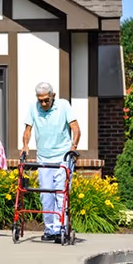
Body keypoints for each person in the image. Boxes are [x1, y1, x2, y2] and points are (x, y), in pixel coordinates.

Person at [22, 82, 81, 242]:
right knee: (45, 196)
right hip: (43, 158)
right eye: (40, 100)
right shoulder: (33, 108)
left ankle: (60, 228)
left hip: (62, 157)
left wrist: (73, 147)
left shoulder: (63, 106)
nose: (43, 103)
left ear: (53, 96)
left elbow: (75, 128)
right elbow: (28, 130)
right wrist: (26, 146)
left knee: (61, 194)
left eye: (46, 100)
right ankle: (49, 230)